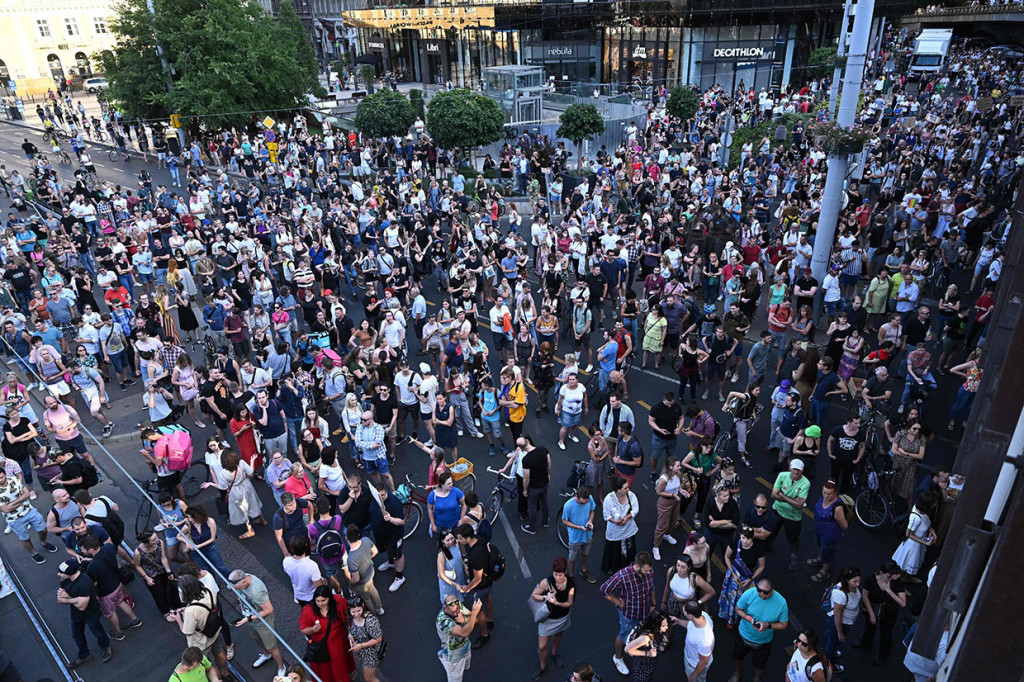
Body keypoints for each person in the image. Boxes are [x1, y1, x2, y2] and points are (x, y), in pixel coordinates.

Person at [599, 551, 655, 676]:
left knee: (638, 633)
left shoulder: (649, 571)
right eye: (646, 570)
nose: (648, 573)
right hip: (629, 614)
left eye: (649, 570)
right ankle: (618, 658)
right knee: (623, 636)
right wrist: (618, 601)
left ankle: (633, 646)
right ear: (637, 566)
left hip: (644, 612)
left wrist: (653, 604)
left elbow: (652, 588)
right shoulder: (623, 576)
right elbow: (604, 589)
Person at [79, 534, 143, 641]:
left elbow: (94, 583)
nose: (82, 552)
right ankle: (135, 619)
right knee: (120, 602)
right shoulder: (108, 548)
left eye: (83, 550)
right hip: (117, 583)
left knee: (110, 613)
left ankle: (118, 633)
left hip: (105, 593)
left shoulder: (92, 567)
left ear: (90, 550)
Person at [57, 558, 113, 666]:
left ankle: (105, 647)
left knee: (98, 632)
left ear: (69, 573)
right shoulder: (64, 580)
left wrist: (68, 598)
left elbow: (82, 606)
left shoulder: (84, 582)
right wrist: (75, 600)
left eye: (61, 572)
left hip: (90, 613)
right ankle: (84, 655)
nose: (58, 574)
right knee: (77, 635)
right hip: (75, 613)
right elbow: (60, 599)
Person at [732, 578, 789, 682]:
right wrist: (749, 618)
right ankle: (737, 674)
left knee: (760, 664)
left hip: (764, 641)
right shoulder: (749, 593)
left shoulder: (781, 602)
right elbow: (738, 609)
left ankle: (756, 679)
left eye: (765, 594)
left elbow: (784, 624)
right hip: (743, 635)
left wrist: (768, 625)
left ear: (772, 591)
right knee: (737, 657)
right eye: (759, 592)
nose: (762, 597)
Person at [171, 575, 228, 680]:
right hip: (214, 631)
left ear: (186, 592)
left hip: (201, 642)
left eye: (181, 591)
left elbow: (187, 632)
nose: (180, 594)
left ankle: (217, 678)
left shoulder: (190, 611)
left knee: (208, 665)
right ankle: (226, 672)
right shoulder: (208, 591)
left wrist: (178, 619)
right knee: (219, 651)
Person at [529, 557, 576, 679]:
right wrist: (545, 597)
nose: (557, 578)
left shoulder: (570, 583)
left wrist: (557, 603)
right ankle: (542, 666)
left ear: (565, 572)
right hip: (548, 619)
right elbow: (534, 595)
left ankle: (554, 653)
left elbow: (569, 603)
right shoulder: (547, 582)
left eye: (560, 575)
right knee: (542, 646)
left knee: (558, 635)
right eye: (555, 575)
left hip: (562, 617)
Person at [0, 465, 57, 564]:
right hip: (14, 519)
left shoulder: (14, 479)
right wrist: (21, 500)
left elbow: (27, 494)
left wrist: (13, 503)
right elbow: (6, 509)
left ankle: (43, 543)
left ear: (5, 474)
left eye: (1, 477)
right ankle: (34, 553)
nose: (0, 480)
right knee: (25, 538)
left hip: (29, 510)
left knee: (43, 529)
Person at [298, 585, 355, 682]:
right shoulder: (308, 610)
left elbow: (347, 614)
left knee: (339, 665)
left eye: (323, 600)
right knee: (327, 670)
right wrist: (312, 630)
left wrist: (350, 632)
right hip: (322, 647)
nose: (320, 603)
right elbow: (303, 629)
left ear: (329, 598)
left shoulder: (338, 601)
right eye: (317, 601)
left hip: (339, 643)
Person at [857, 559, 907, 666]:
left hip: (889, 611)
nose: (898, 575)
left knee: (886, 634)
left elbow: (903, 603)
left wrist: (888, 590)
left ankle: (883, 655)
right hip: (873, 607)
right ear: (887, 574)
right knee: (869, 627)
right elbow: (865, 595)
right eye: (895, 574)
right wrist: (871, 613)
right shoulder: (872, 578)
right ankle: (866, 642)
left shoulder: (897, 582)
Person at [455, 524, 494, 649]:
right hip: (488, 582)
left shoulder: (476, 555)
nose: (458, 541)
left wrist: (467, 587)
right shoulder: (479, 539)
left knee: (477, 610)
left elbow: (477, 578)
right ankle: (490, 620)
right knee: (487, 597)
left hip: (480, 585)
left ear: (468, 538)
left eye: (460, 539)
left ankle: (484, 635)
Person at [718, 526, 766, 628]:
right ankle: (730, 619)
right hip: (733, 575)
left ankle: (741, 618)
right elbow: (727, 557)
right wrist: (733, 574)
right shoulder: (734, 543)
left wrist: (751, 579)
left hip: (747, 577)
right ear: (740, 535)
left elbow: (761, 566)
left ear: (752, 538)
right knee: (731, 597)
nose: (745, 541)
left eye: (748, 539)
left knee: (744, 600)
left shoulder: (758, 549)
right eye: (743, 538)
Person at [660, 554, 715, 640]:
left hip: (687, 604)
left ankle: (689, 639)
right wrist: (663, 602)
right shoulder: (671, 571)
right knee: (670, 621)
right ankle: (667, 638)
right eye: (678, 565)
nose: (679, 569)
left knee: (689, 624)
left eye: (683, 567)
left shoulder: (695, 579)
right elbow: (667, 587)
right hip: (672, 601)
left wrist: (698, 602)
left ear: (689, 568)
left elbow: (711, 592)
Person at [131, 530, 182, 622]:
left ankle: (178, 606)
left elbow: (163, 558)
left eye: (156, 537)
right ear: (147, 543)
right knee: (159, 594)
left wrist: (169, 572)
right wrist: (147, 578)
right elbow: (137, 566)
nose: (157, 540)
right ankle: (165, 612)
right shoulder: (138, 552)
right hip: (151, 574)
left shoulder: (159, 543)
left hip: (162, 569)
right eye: (153, 540)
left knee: (172, 587)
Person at [771, 459, 810, 572]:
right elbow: (773, 495)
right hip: (777, 510)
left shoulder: (806, 483)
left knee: (793, 539)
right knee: (771, 531)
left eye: (798, 469)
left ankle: (794, 555)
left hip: (793, 516)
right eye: (794, 469)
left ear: (802, 470)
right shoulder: (782, 475)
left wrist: (782, 496)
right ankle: (769, 545)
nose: (796, 472)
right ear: (790, 468)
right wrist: (793, 500)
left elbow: (799, 505)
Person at [436, 590, 484, 682]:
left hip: (465, 646)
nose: (456, 613)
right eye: (453, 611)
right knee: (455, 679)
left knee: (466, 666)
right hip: (454, 657)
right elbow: (464, 632)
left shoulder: (458, 607)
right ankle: (444, 656)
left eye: (457, 609)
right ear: (445, 607)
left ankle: (443, 655)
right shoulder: (443, 621)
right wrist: (473, 614)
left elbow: (476, 620)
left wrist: (465, 620)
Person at [368, 482, 407, 592]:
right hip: (381, 535)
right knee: (388, 550)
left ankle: (399, 577)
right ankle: (391, 563)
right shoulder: (375, 499)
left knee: (398, 555)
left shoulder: (394, 502)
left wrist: (390, 519)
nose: (381, 497)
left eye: (383, 495)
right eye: (379, 495)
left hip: (394, 536)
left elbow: (401, 522)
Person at [822, 567, 863, 671]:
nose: (858, 584)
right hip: (840, 623)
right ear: (847, 581)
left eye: (859, 580)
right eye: (855, 581)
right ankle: (827, 664)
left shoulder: (849, 588)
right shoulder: (841, 595)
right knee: (833, 641)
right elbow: (838, 615)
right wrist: (840, 633)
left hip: (839, 622)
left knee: (830, 635)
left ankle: (823, 649)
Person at [891, 490, 938, 578]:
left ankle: (907, 579)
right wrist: (925, 542)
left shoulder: (922, 511)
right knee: (905, 567)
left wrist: (931, 530)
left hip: (918, 545)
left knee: (906, 566)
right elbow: (908, 534)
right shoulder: (916, 518)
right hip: (913, 547)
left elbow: (926, 523)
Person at [809, 479, 849, 582]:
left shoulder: (837, 508)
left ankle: (824, 572)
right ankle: (819, 558)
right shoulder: (823, 499)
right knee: (820, 546)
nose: (826, 496)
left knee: (828, 553)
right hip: (820, 530)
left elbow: (844, 525)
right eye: (824, 493)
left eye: (829, 494)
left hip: (829, 535)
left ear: (835, 493)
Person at [601, 476, 639, 574]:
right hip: (615, 531)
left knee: (629, 548)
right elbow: (606, 515)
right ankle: (613, 568)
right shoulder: (609, 499)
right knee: (614, 550)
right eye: (625, 488)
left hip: (628, 529)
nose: (628, 489)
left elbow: (635, 509)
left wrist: (627, 517)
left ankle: (628, 567)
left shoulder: (631, 496)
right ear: (618, 490)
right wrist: (615, 521)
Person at [561, 486, 597, 583]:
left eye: (586, 501)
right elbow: (564, 521)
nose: (585, 503)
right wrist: (579, 527)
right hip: (575, 536)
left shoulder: (589, 499)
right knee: (572, 556)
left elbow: (592, 510)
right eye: (582, 502)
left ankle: (584, 570)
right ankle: (571, 576)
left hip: (587, 534)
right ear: (577, 497)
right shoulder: (568, 505)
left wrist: (590, 521)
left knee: (585, 553)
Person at [623, 611, 669, 682]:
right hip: (642, 666)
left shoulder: (655, 632)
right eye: (663, 626)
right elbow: (627, 649)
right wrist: (648, 653)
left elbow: (663, 639)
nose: (667, 627)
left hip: (650, 663)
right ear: (655, 626)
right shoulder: (645, 638)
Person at [348, 596, 385, 682]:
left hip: (370, 654)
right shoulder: (350, 618)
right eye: (353, 612)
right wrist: (350, 636)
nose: (356, 614)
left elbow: (378, 639)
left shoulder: (370, 621)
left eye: (358, 611)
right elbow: (349, 630)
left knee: (369, 679)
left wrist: (360, 645)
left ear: (363, 606)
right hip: (360, 652)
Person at [283, 534, 325, 608]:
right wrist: (324, 582)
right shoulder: (312, 565)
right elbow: (319, 588)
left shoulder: (286, 562)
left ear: (292, 549)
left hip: (298, 595)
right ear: (306, 545)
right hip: (311, 597)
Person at [521, 435, 551, 534]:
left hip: (534, 487)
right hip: (544, 483)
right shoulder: (542, 449)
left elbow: (526, 477)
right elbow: (549, 462)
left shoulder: (526, 459)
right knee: (544, 502)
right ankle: (546, 521)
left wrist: (525, 490)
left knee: (532, 507)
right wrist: (548, 474)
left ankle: (532, 527)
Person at [681, 599, 714, 682]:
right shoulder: (703, 615)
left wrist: (693, 676)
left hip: (693, 665)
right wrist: (678, 621)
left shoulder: (704, 640)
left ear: (690, 616)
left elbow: (703, 662)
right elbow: (689, 625)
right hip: (690, 657)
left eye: (684, 612)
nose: (683, 614)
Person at [428, 471, 466, 536]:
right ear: (442, 484)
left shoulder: (456, 491)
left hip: (455, 525)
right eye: (448, 484)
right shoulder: (432, 495)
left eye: (451, 482)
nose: (451, 484)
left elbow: (464, 504)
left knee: (458, 541)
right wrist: (433, 524)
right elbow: (430, 510)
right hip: (440, 526)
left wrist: (462, 519)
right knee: (441, 542)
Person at [436, 527, 467, 606]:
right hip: (449, 583)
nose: (451, 542)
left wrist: (465, 567)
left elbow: (461, 558)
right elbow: (441, 575)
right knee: (450, 605)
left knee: (458, 602)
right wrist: (455, 584)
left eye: (452, 538)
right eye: (447, 540)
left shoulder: (457, 543)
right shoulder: (441, 555)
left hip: (459, 577)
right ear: (442, 541)